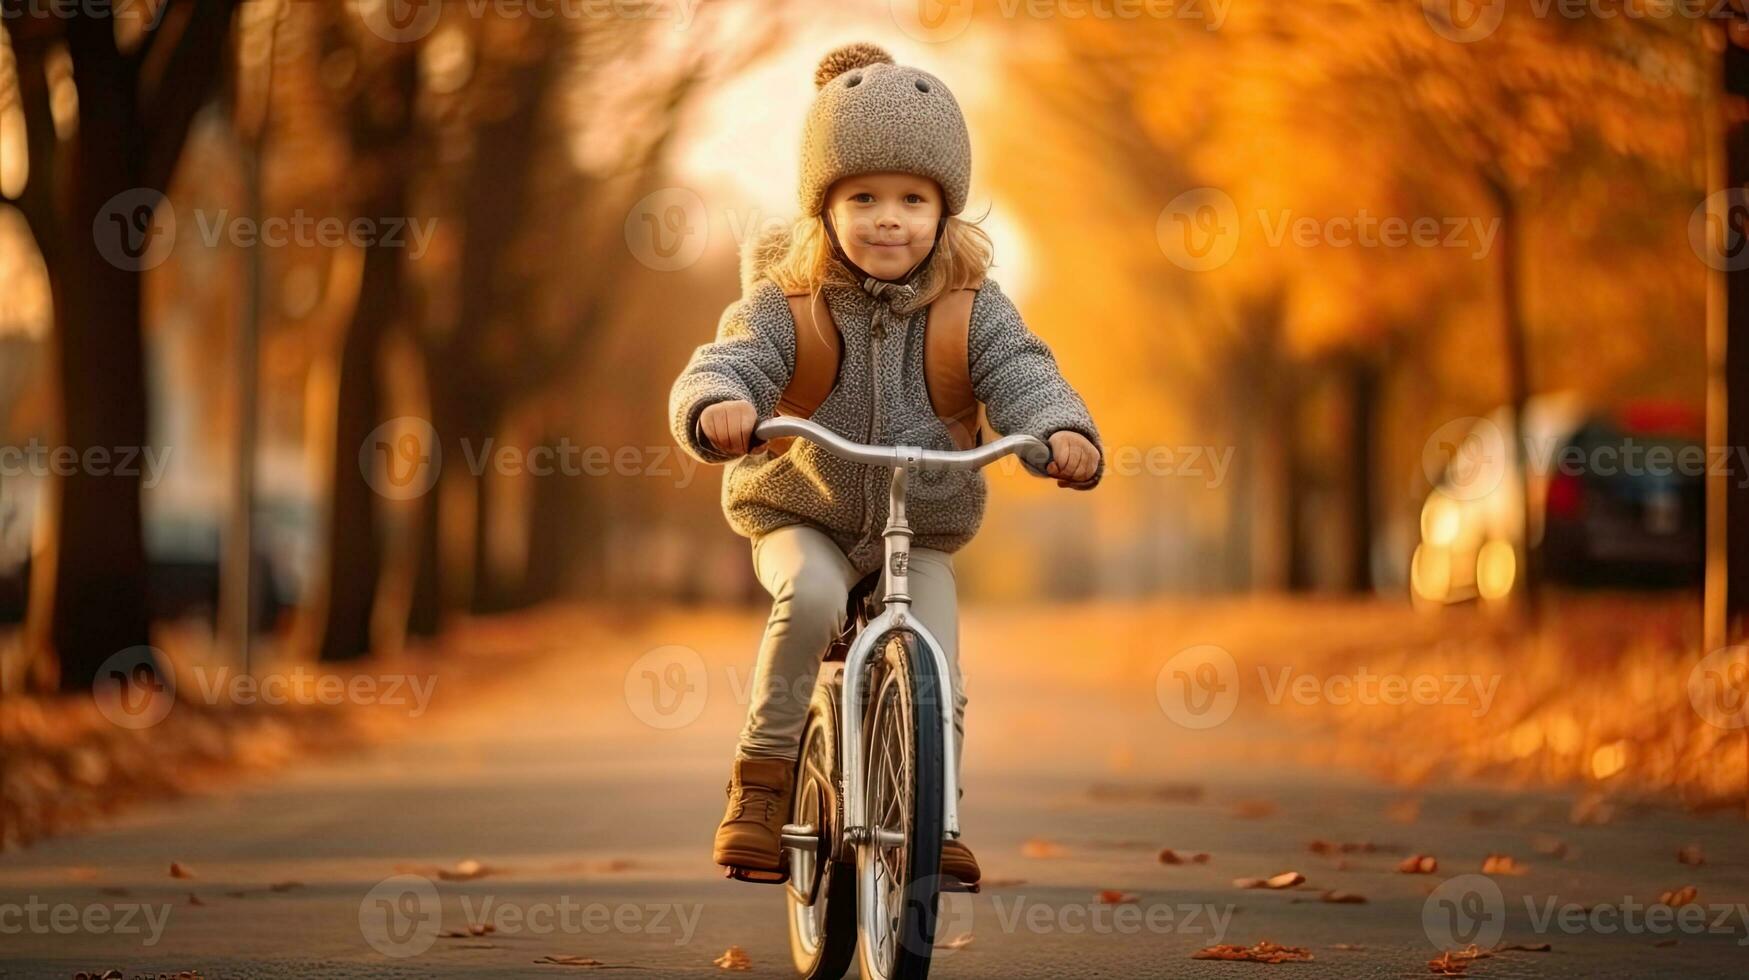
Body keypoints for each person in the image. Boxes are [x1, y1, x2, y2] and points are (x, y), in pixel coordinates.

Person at [667, 41, 1103, 886]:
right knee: (815, 593)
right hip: (802, 510)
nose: (888, 218)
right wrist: (718, 406)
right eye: (862, 197)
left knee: (935, 656)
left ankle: (931, 816)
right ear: (822, 209)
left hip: (923, 529)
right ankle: (761, 781)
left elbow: (1022, 371)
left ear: (946, 211)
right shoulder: (786, 299)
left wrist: (1060, 430)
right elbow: (729, 359)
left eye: (912, 198)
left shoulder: (972, 307)